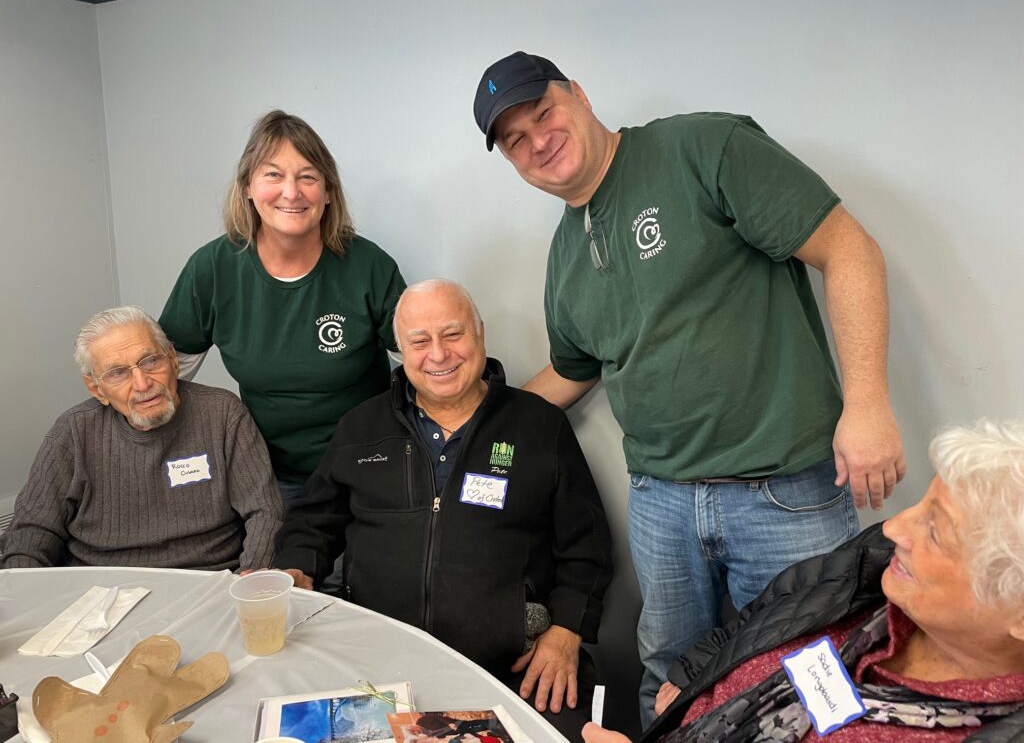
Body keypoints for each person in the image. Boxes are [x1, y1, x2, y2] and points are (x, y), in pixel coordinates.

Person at [474, 51, 906, 722]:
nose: (537, 140)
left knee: (811, 689)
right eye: (515, 139)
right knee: (671, 681)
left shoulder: (703, 148)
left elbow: (848, 250)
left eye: (544, 113)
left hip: (785, 494)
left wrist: (868, 405)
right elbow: (575, 369)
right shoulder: (564, 256)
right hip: (661, 505)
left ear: (579, 95)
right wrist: (477, 417)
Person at [272, 279, 613, 742]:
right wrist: (296, 569)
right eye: (419, 341)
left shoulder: (539, 425)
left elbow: (586, 544)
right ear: (400, 351)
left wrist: (567, 631)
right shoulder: (361, 427)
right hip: (379, 670)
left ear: (480, 335)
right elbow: (312, 519)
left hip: (510, 670)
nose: (438, 354)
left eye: (453, 335)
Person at [580, 419, 1024, 743]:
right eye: (923, 504)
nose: (894, 527)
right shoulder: (875, 569)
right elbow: (766, 612)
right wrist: (694, 676)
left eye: (935, 531)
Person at [160, 110, 406, 505]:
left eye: (307, 177)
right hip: (268, 477)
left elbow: (429, 366)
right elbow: (160, 380)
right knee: (277, 566)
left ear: (328, 192)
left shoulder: (369, 266)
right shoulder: (213, 269)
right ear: (247, 187)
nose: (291, 192)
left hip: (368, 469)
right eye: (273, 175)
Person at [0, 306, 281, 570]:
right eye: (118, 373)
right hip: (100, 593)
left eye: (150, 361)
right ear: (96, 388)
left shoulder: (223, 413)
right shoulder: (73, 432)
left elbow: (265, 514)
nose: (142, 384)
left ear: (172, 359)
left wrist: (254, 584)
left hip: (208, 583)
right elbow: (32, 532)